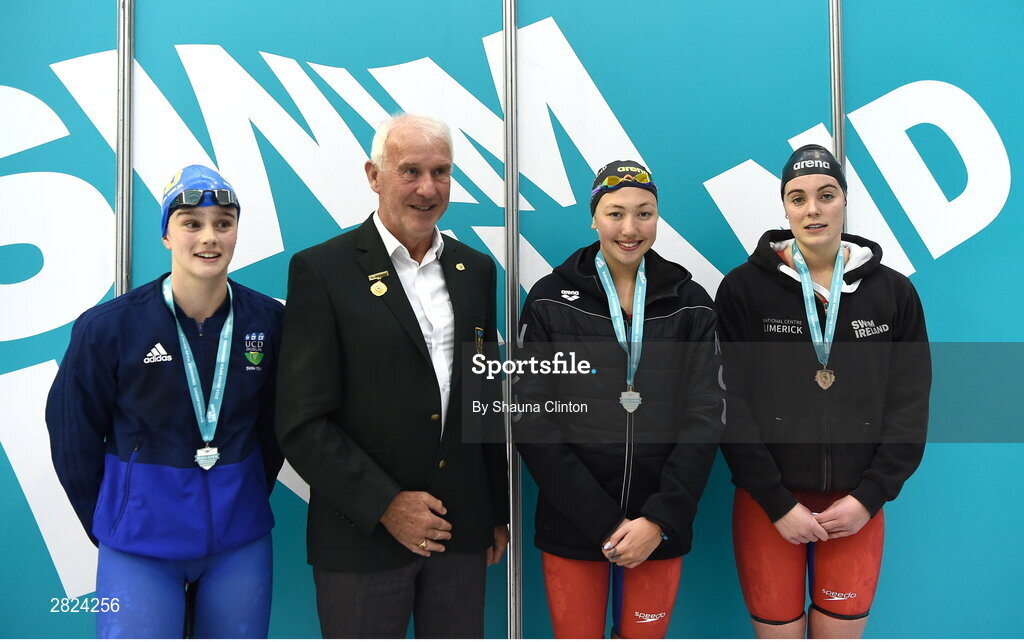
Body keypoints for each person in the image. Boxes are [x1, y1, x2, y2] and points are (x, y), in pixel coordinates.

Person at [275, 113, 509, 639]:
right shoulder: (323, 270)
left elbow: (483, 398)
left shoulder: (476, 271)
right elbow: (300, 422)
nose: (428, 188)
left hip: (460, 530)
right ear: (373, 175)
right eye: (410, 171)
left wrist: (494, 510)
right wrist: (385, 504)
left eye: (441, 172)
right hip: (361, 537)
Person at [46, 165, 285, 638]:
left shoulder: (270, 321)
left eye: (223, 222)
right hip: (140, 546)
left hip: (240, 544)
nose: (209, 238)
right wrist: (115, 519)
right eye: (191, 223)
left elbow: (277, 427)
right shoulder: (108, 328)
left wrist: (246, 493)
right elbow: (72, 437)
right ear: (166, 234)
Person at [716, 144, 931, 638]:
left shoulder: (893, 294)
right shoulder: (743, 291)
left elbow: (910, 404)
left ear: (844, 200)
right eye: (798, 198)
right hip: (768, 507)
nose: (812, 209)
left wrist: (870, 496)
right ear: (785, 207)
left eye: (825, 195)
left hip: (855, 508)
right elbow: (728, 403)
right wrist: (776, 502)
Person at [515, 161, 721, 638]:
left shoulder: (691, 303)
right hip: (574, 523)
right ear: (593, 217)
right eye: (615, 213)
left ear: (658, 217)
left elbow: (707, 417)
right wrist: (603, 520)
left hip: (658, 529)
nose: (630, 229)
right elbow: (532, 418)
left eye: (644, 213)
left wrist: (659, 518)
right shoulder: (549, 301)